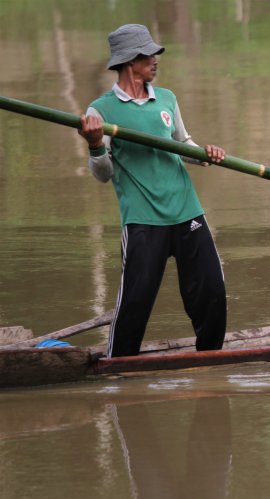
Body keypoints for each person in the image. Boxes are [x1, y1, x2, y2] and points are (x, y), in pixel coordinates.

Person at [78, 24, 227, 357]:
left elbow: (182, 144)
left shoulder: (168, 99)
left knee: (212, 293)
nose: (156, 60)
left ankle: (213, 361)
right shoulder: (100, 111)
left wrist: (205, 154)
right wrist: (94, 145)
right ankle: (119, 364)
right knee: (136, 301)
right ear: (131, 61)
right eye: (149, 55)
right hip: (143, 220)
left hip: (187, 211)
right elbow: (103, 174)